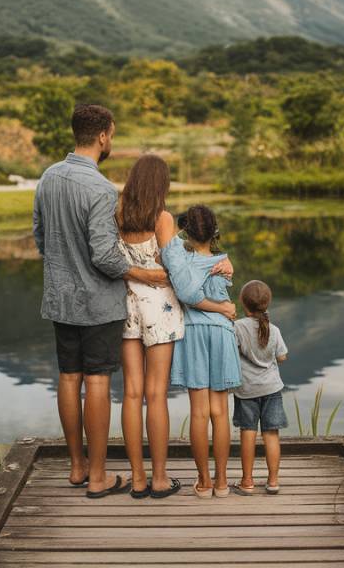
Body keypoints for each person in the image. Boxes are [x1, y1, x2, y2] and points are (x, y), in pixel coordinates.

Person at [32, 104, 169, 499]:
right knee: (96, 380)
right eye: (113, 133)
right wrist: (149, 275)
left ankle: (76, 468)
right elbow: (107, 257)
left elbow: (41, 237)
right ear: (104, 136)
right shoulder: (99, 188)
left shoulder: (47, 178)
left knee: (68, 377)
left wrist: (61, 267)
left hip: (60, 299)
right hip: (96, 303)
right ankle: (97, 477)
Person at [117, 156, 233, 499]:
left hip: (126, 306)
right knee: (155, 394)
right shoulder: (162, 218)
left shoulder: (118, 215)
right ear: (161, 185)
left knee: (131, 393)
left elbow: (116, 260)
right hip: (161, 309)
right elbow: (177, 273)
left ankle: (137, 478)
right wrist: (214, 264)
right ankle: (160, 479)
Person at [157, 205, 241, 498]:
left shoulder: (179, 256)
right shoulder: (222, 262)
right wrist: (223, 306)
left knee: (199, 413)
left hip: (192, 333)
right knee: (220, 412)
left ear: (186, 231)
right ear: (215, 231)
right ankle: (221, 483)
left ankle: (204, 482)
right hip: (221, 332)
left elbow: (170, 244)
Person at [230, 279, 289, 495]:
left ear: (243, 304)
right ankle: (273, 481)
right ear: (267, 303)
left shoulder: (237, 327)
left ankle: (247, 482)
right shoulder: (274, 329)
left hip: (246, 391)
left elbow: (231, 351)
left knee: (248, 433)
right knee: (271, 434)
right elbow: (282, 357)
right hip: (272, 389)